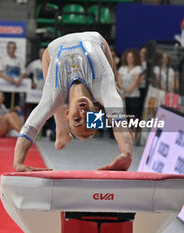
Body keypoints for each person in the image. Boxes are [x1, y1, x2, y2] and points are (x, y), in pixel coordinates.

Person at [13, 32, 134, 172]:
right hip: (96, 39)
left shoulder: (55, 93)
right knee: (113, 94)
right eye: (88, 118)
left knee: (52, 102)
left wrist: (18, 163)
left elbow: (29, 128)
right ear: (95, 110)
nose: (83, 113)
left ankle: (61, 131)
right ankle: (64, 132)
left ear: (68, 114)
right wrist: (126, 153)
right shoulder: (103, 86)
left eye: (77, 119)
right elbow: (117, 119)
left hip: (52, 50)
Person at [0, 41, 27, 109]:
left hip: (16, 88)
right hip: (6, 87)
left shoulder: (20, 60)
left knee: (15, 106)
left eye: (13, 48)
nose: (12, 50)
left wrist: (20, 79)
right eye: (10, 48)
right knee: (6, 107)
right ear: (7, 49)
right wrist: (8, 78)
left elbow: (24, 73)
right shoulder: (3, 59)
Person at [117, 49, 142, 119]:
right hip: (122, 97)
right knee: (124, 117)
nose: (130, 59)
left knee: (134, 118)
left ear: (135, 58)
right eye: (128, 57)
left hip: (134, 97)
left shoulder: (138, 68)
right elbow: (119, 82)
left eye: (132, 57)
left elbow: (134, 85)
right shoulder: (122, 68)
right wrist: (125, 91)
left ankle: (134, 130)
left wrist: (127, 90)